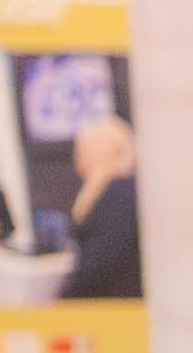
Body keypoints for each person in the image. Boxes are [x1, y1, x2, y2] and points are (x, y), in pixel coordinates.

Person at [60, 105, 148, 305]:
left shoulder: (118, 193)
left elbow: (101, 263)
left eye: (82, 150)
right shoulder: (120, 188)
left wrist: (62, 302)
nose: (77, 159)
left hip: (116, 307)